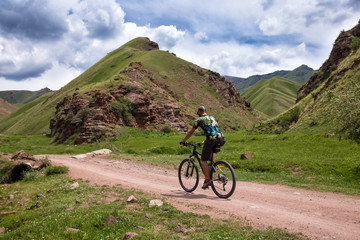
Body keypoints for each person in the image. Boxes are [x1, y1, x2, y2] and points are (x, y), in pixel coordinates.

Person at [180, 106, 225, 189]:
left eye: (198, 113)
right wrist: (206, 140)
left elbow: (190, 132)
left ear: (200, 112)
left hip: (211, 140)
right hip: (221, 139)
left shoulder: (199, 120)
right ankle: (213, 166)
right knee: (211, 155)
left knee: (203, 160)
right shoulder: (212, 117)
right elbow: (213, 130)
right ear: (205, 111)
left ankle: (208, 180)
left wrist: (183, 141)